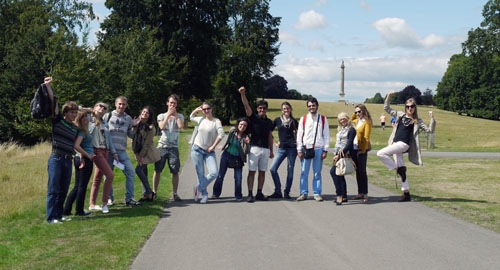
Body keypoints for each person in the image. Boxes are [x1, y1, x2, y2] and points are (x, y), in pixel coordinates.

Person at [377, 91, 436, 202]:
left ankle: (398, 170)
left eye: (412, 106)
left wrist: (432, 118)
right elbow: (387, 108)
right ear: (405, 107)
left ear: (415, 108)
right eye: (408, 106)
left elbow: (430, 130)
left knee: (380, 153)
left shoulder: (417, 121)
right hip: (395, 144)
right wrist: (388, 96)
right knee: (401, 167)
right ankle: (406, 193)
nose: (410, 108)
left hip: (403, 144)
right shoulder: (400, 115)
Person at [44, 77, 79, 224]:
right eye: (72, 112)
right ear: (65, 112)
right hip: (56, 159)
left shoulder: (75, 128)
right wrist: (48, 87)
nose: (74, 114)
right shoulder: (58, 121)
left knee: (64, 189)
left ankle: (59, 214)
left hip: (67, 159)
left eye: (76, 112)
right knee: (54, 189)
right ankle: (51, 217)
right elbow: (54, 104)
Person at [238, 86, 274, 203]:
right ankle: (249, 194)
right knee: (252, 171)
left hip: (265, 149)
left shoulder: (269, 122)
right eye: (260, 108)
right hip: (254, 148)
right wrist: (243, 94)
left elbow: (270, 136)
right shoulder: (253, 118)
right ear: (257, 109)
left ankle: (259, 192)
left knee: (262, 172)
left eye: (264, 108)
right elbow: (246, 106)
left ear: (266, 109)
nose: (262, 109)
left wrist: (271, 150)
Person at [104, 96, 141, 206]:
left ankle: (129, 198)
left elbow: (130, 135)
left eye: (124, 104)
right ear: (115, 104)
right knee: (108, 175)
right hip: (109, 152)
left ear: (126, 105)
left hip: (121, 152)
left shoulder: (128, 118)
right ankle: (109, 198)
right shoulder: (108, 116)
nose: (121, 106)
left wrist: (134, 127)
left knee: (130, 172)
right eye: (119, 104)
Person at [296, 97, 330, 202]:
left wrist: (325, 150)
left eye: (313, 105)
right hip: (306, 148)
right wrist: (299, 149)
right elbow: (299, 134)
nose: (311, 107)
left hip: (318, 149)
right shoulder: (304, 119)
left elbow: (326, 135)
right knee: (304, 172)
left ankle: (317, 193)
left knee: (317, 173)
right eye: (309, 106)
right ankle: (303, 193)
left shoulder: (323, 119)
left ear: (317, 106)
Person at [190, 102, 225, 204]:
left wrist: (213, 146)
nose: (206, 111)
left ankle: (198, 188)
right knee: (200, 173)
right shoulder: (200, 119)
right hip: (197, 149)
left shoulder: (216, 121)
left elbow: (221, 134)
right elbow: (191, 117)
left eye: (208, 109)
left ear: (211, 109)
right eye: (204, 109)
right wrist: (197, 110)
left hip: (209, 151)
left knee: (214, 172)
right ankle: (204, 195)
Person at [63, 109, 96, 217]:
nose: (86, 119)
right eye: (83, 117)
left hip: (81, 158)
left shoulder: (83, 130)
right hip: (84, 159)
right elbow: (76, 145)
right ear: (79, 119)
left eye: (86, 116)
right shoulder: (81, 131)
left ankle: (67, 209)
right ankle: (79, 210)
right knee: (82, 186)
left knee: (78, 186)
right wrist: (87, 155)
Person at [152, 94, 184, 202]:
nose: (172, 105)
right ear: (167, 103)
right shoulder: (161, 115)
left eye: (174, 103)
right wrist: (168, 115)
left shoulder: (180, 116)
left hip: (174, 147)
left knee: (175, 170)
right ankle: (154, 192)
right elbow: (162, 127)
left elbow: (181, 126)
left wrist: (176, 116)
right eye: (170, 103)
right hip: (162, 146)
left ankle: (175, 193)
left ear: (177, 105)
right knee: (158, 170)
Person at [212, 117, 251, 201]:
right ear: (238, 124)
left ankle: (238, 195)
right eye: (241, 124)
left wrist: (247, 143)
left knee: (238, 177)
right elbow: (228, 140)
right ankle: (216, 193)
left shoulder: (246, 137)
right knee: (220, 175)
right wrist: (223, 146)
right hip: (227, 155)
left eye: (245, 125)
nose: (242, 126)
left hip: (238, 158)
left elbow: (247, 151)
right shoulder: (232, 130)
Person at [88, 102, 117, 213]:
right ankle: (105, 203)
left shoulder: (104, 123)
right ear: (94, 107)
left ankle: (92, 204)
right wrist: (90, 110)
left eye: (105, 108)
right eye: (100, 106)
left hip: (106, 150)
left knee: (98, 178)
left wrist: (114, 153)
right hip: (96, 150)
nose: (102, 108)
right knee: (110, 175)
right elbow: (78, 109)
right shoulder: (88, 119)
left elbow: (109, 140)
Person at [268, 101, 298, 199]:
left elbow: (300, 133)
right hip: (281, 149)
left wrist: (297, 141)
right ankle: (278, 191)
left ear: (291, 109)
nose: (286, 110)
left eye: (287, 108)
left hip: (292, 149)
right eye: (284, 108)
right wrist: (275, 142)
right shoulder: (277, 120)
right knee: (272, 169)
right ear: (282, 110)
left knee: (290, 171)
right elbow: (269, 132)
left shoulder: (294, 121)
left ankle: (287, 192)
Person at [132, 106, 161, 202]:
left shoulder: (151, 127)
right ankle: (146, 196)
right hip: (138, 152)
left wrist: (141, 156)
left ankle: (149, 192)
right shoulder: (137, 124)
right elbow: (133, 137)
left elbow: (147, 143)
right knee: (144, 172)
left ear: (149, 116)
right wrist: (133, 126)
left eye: (147, 113)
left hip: (147, 152)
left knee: (138, 170)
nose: (145, 113)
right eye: (143, 111)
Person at [329, 112, 356, 205]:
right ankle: (344, 196)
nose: (342, 121)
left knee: (333, 172)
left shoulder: (351, 130)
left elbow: (349, 144)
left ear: (348, 119)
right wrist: (335, 153)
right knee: (339, 174)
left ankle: (339, 195)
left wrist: (339, 155)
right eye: (340, 119)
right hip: (338, 153)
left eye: (344, 118)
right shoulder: (341, 130)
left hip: (345, 154)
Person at [350, 104, 373, 202]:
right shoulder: (356, 121)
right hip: (354, 148)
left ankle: (365, 193)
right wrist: (355, 113)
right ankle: (360, 192)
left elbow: (366, 138)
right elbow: (351, 119)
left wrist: (362, 150)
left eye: (359, 111)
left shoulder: (367, 122)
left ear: (364, 111)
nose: (357, 114)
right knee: (357, 171)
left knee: (362, 171)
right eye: (356, 112)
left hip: (361, 149)